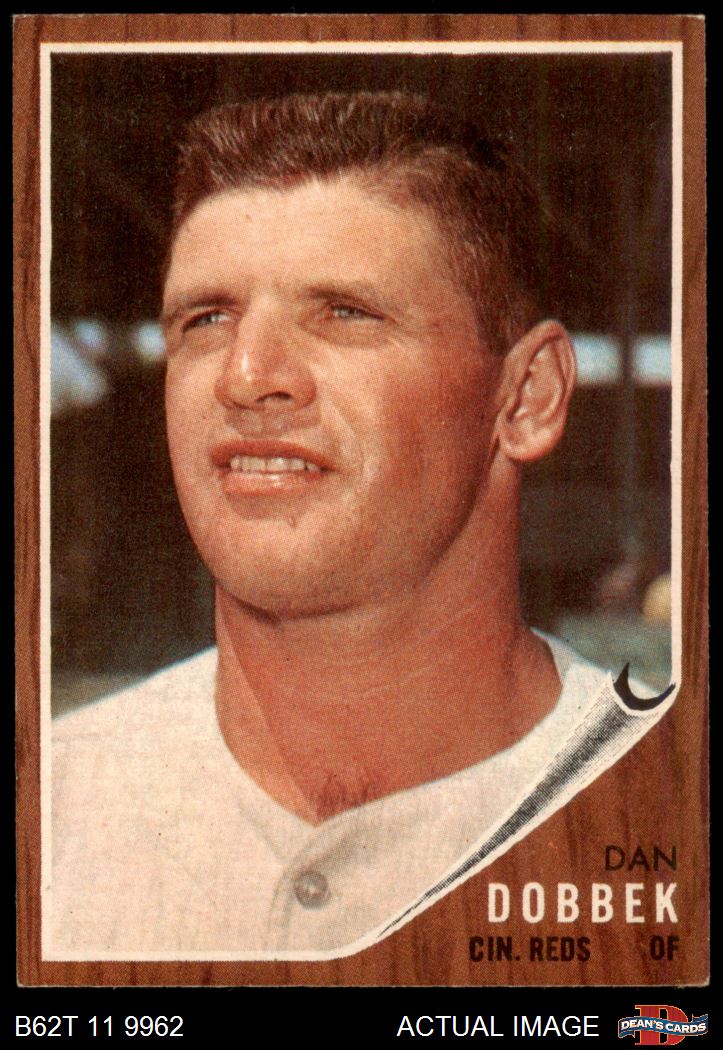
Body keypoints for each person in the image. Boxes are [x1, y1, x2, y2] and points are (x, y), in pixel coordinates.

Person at [49, 91, 673, 959]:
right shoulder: (49, 807)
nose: (245, 375)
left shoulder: (669, 810)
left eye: (346, 312)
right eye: (206, 319)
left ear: (526, 397)